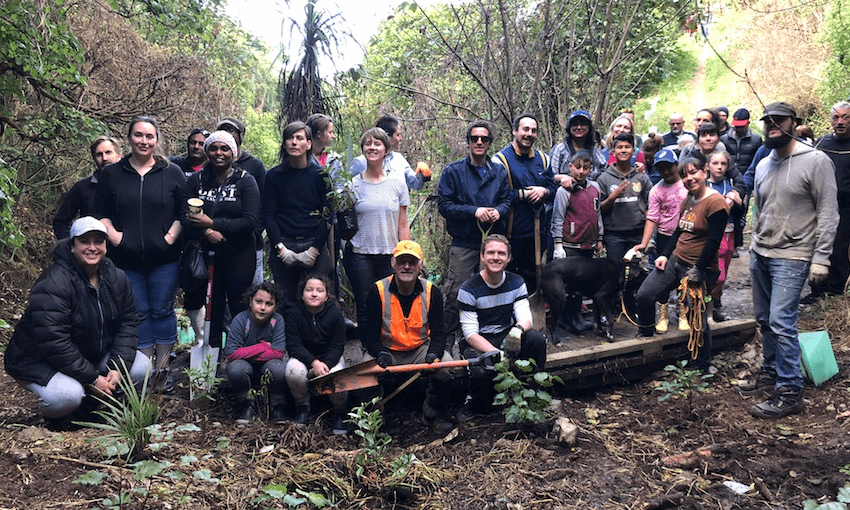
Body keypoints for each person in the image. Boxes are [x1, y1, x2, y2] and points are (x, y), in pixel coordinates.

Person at [739, 102, 838, 419]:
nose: (772, 126)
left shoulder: (816, 160)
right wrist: (754, 245)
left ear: (794, 123)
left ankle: (790, 391)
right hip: (762, 252)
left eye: (779, 121)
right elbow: (761, 209)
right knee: (765, 318)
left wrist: (821, 258)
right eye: (767, 121)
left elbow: (828, 213)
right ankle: (771, 372)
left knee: (782, 323)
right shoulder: (766, 163)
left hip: (793, 256)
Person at [5, 217, 151, 426]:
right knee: (66, 396)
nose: (92, 247)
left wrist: (116, 368)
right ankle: (57, 417)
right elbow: (55, 343)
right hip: (38, 359)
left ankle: (92, 405)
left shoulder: (116, 277)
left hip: (88, 353)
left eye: (98, 241)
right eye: (85, 241)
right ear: (72, 245)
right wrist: (92, 379)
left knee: (140, 368)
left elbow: (128, 323)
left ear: (106, 246)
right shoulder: (54, 283)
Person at [93, 115, 185, 391]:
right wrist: (117, 238)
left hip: (165, 259)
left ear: (157, 140)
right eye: (138, 135)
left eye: (149, 136)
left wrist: (169, 237)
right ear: (129, 138)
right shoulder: (112, 174)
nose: (144, 141)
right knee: (139, 313)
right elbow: (99, 213)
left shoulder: (172, 172)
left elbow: (185, 211)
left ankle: (164, 369)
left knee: (162, 310)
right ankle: (144, 369)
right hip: (126, 259)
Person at [635, 157, 728, 372]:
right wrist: (665, 255)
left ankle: (702, 365)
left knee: (696, 317)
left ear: (705, 171)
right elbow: (679, 230)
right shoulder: (689, 198)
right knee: (645, 295)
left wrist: (700, 269)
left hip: (698, 268)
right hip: (676, 260)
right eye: (685, 175)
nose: (689, 178)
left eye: (693, 172)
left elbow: (714, 241)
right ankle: (647, 339)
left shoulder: (716, 203)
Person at [361, 240, 456, 434]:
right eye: (402, 261)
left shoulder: (432, 292)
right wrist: (379, 352)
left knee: (446, 368)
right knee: (364, 372)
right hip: (386, 349)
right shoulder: (377, 291)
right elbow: (368, 334)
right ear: (393, 263)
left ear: (420, 265)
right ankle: (375, 420)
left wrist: (434, 355)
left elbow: (439, 333)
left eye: (412, 262)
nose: (406, 266)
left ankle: (433, 414)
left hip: (420, 349)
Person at [180, 130, 260, 349]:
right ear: (207, 152)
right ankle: (210, 357)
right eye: (213, 148)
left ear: (233, 153)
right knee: (210, 307)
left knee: (239, 305)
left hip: (239, 254)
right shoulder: (196, 180)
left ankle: (240, 353)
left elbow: (250, 221)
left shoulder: (246, 181)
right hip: (204, 255)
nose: (219, 153)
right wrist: (207, 232)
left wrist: (213, 223)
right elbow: (184, 217)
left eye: (224, 148)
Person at [438, 120, 511, 351]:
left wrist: (498, 212)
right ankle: (446, 340)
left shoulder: (498, 171)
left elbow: (507, 200)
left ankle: (482, 339)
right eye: (474, 138)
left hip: (492, 242)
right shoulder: (454, 171)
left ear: (490, 143)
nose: (479, 142)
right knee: (455, 290)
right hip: (464, 242)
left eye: (484, 139)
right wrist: (474, 212)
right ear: (468, 141)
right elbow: (444, 205)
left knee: (490, 289)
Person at [456, 234, 547, 419]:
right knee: (482, 372)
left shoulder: (516, 282)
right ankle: (478, 405)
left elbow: (525, 317)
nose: (495, 257)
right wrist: (497, 354)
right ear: (482, 256)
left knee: (537, 340)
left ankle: (532, 394)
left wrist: (518, 331)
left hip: (508, 335)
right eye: (490, 252)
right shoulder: (468, 289)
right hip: (479, 340)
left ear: (509, 258)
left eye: (501, 253)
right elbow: (470, 333)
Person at [343, 127, 411, 332]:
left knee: (392, 303)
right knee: (365, 305)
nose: (372, 147)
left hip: (390, 254)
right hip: (360, 255)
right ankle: (369, 350)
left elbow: (403, 223)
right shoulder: (352, 185)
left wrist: (406, 253)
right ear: (363, 149)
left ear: (386, 150)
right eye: (368, 144)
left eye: (377, 143)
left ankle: (391, 344)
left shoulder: (397, 183)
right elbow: (346, 223)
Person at [264, 121, 332, 311]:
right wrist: (280, 248)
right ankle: (289, 341)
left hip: (313, 245)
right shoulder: (273, 176)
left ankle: (314, 341)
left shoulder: (321, 176)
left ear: (309, 144)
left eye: (299, 138)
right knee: (286, 302)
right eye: (290, 138)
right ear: (284, 144)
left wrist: (314, 249)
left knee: (314, 300)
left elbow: (328, 216)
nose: (294, 142)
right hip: (284, 245)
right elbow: (269, 215)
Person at [493, 113, 557, 293]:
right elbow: (496, 196)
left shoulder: (543, 159)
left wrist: (543, 191)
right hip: (511, 232)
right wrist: (523, 194)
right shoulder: (500, 160)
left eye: (533, 130)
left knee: (532, 274)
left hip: (537, 231)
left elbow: (553, 190)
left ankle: (530, 313)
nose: (529, 134)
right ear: (515, 131)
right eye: (525, 129)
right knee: (508, 276)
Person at [630, 148, 688, 333]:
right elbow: (652, 217)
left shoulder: (687, 186)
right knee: (662, 275)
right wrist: (644, 242)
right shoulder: (656, 190)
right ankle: (662, 313)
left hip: (685, 238)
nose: (665, 172)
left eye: (669, 167)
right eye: (661, 168)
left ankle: (683, 312)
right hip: (664, 237)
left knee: (684, 278)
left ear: (677, 165)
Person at [284, 275, 348, 433]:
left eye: (319, 290)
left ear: (327, 295)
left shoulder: (334, 314)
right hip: (304, 358)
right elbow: (293, 345)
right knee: (293, 371)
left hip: (330, 359)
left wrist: (325, 364)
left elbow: (338, 345)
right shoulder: (294, 313)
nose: (314, 294)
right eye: (309, 290)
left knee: (337, 375)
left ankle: (340, 412)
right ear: (302, 293)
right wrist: (314, 363)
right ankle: (302, 408)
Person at [550, 150, 603, 333]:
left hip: (588, 245)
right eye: (577, 167)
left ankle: (577, 315)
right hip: (570, 245)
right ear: (570, 167)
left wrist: (600, 238)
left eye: (585, 168)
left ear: (591, 169)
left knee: (583, 283)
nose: (581, 171)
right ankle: (567, 317)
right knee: (570, 284)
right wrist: (558, 244)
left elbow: (598, 215)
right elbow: (557, 218)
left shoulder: (595, 188)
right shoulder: (564, 191)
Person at [223, 282, 287, 425]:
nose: (262, 308)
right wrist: (263, 346)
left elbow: (277, 352)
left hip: (268, 365)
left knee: (279, 368)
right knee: (235, 368)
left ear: (275, 306)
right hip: (244, 365)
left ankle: (278, 405)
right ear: (250, 301)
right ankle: (247, 404)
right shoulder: (241, 319)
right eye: (258, 302)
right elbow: (231, 354)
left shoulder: (277, 320)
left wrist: (244, 352)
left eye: (269, 304)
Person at [806, 101, 850, 301]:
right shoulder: (821, 144)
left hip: (846, 207)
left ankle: (834, 293)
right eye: (836, 117)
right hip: (819, 205)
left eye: (845, 117)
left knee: (839, 249)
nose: (840, 122)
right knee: (817, 245)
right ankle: (816, 292)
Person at [215, 117, 267, 285]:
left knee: (249, 292)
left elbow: (263, 203)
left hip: (248, 242)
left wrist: (255, 230)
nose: (227, 134)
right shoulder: (212, 165)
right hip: (216, 241)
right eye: (223, 130)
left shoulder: (254, 166)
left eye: (232, 130)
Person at [596, 132, 652, 264]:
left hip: (637, 234)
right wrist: (613, 197)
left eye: (627, 147)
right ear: (613, 152)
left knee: (635, 273)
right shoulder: (604, 179)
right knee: (614, 273)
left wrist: (648, 238)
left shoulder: (641, 177)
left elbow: (649, 206)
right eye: (620, 147)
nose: (623, 150)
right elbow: (598, 210)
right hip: (614, 236)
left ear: (633, 151)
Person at [53, 136, 122, 239]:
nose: (104, 158)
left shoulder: (134, 185)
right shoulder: (82, 188)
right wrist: (71, 247)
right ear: (94, 159)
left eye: (108, 152)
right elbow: (60, 222)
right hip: (92, 252)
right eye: (99, 154)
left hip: (127, 251)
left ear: (119, 156)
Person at [705, 151, 742, 322]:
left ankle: (714, 309)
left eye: (723, 164)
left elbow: (740, 213)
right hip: (712, 237)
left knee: (723, 276)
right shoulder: (704, 186)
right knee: (715, 276)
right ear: (707, 166)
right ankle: (707, 313)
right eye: (715, 163)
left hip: (730, 234)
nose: (719, 167)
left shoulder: (732, 185)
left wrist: (738, 201)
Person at [721, 108, 762, 257]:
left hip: (746, 181)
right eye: (736, 125)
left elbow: (758, 162)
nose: (738, 128)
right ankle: (726, 242)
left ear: (748, 123)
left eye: (741, 125)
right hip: (727, 179)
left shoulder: (756, 140)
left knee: (741, 211)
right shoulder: (725, 139)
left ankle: (736, 243)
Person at [350, 115, 430, 190]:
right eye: (398, 135)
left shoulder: (398, 159)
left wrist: (423, 174)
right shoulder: (361, 162)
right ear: (386, 136)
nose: (400, 138)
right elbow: (347, 192)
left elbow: (414, 184)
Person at [549, 110, 608, 184]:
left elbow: (605, 172)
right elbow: (550, 175)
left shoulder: (595, 152)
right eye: (575, 124)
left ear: (589, 128)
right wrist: (562, 178)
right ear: (569, 128)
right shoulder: (560, 149)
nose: (579, 127)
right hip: (564, 192)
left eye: (583, 124)